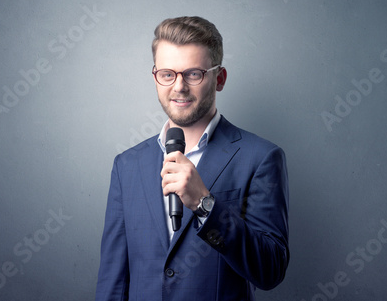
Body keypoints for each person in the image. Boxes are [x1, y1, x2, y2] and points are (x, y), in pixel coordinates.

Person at [95, 16, 289, 300]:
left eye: (194, 73)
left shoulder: (261, 158)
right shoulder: (127, 166)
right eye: (167, 74)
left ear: (219, 78)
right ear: (155, 77)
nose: (179, 86)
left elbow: (270, 270)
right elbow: (112, 280)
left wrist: (205, 205)